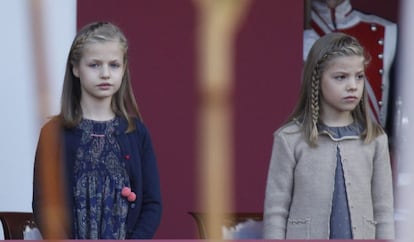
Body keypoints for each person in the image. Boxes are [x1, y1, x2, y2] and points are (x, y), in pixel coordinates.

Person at [32, 21, 162, 239]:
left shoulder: (136, 132)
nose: (105, 73)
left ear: (123, 69)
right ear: (75, 68)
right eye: (94, 65)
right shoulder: (53, 133)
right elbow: (44, 203)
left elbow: (152, 203)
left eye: (114, 65)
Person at [263, 32, 394, 240]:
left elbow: (384, 210)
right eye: (340, 77)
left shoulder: (375, 139)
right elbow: (276, 211)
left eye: (359, 76)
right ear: (316, 80)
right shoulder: (289, 139)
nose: (353, 85)